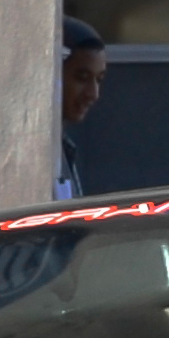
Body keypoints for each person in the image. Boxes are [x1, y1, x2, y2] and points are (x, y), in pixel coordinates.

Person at [54, 14, 108, 200]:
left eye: (99, 80)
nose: (93, 94)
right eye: (82, 78)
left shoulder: (63, 149)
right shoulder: (36, 154)